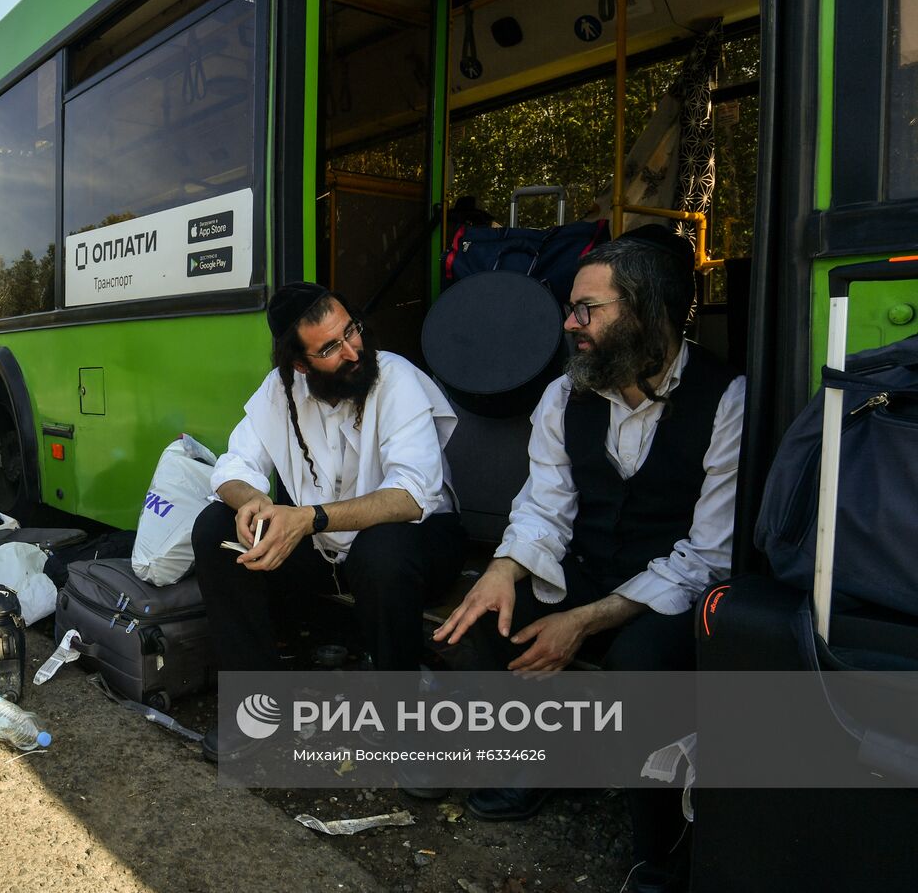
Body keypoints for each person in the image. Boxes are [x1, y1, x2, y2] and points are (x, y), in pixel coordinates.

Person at [432, 227, 745, 893]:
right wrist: (502, 569)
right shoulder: (563, 395)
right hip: (594, 562)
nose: (569, 323)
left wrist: (584, 620)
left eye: (587, 309)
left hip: (673, 586)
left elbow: (709, 556)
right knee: (483, 617)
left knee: (640, 659)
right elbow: (545, 507)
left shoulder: (727, 399)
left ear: (644, 310)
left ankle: (659, 847)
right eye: (571, 307)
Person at [192, 281, 467, 762]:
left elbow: (412, 494)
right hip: (327, 549)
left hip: (418, 543)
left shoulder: (395, 377)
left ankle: (406, 726)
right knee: (216, 527)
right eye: (331, 347)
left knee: (382, 551)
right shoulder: (282, 389)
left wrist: (309, 518)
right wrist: (254, 502)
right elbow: (232, 466)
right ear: (301, 364)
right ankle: (258, 711)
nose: (353, 349)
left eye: (351, 331)